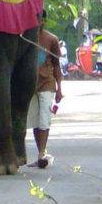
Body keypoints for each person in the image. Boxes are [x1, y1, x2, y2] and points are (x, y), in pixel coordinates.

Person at [26, 10, 63, 168]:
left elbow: (56, 65)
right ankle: (40, 152)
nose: (37, 23)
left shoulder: (51, 39)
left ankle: (42, 153)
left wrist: (59, 88)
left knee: (44, 119)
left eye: (40, 19)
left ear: (44, 21)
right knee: (35, 120)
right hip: (29, 85)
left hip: (47, 83)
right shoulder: (25, 38)